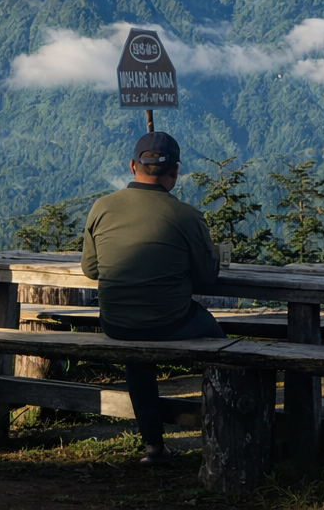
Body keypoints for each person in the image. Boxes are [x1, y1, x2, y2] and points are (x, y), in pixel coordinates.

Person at [80, 131, 222, 466]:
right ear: (175, 172)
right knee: (224, 348)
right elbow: (206, 277)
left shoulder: (102, 208)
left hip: (116, 323)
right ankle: (224, 434)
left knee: (137, 355)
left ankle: (154, 448)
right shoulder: (187, 215)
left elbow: (90, 269)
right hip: (169, 321)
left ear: (132, 166)